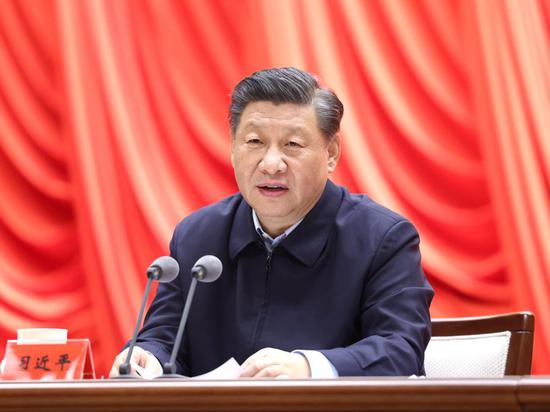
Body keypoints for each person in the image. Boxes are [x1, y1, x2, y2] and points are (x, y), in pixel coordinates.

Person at [110, 67, 434, 378]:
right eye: (254, 142)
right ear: (234, 148)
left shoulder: (382, 239)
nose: (271, 164)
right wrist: (147, 356)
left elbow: (400, 349)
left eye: (292, 145)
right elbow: (166, 338)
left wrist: (310, 368)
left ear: (331, 152)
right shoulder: (197, 236)